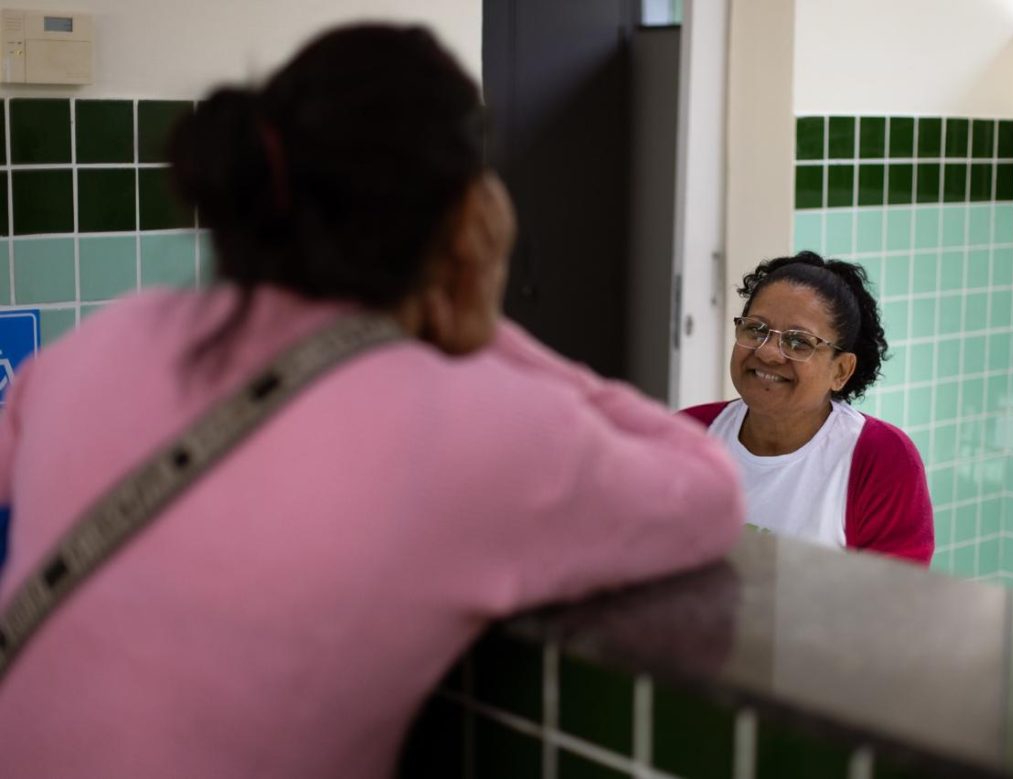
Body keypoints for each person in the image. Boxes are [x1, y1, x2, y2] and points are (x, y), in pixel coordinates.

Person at [0, 24, 744, 778]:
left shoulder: (106, 336)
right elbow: (710, 490)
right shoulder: (476, 424)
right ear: (468, 218)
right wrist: (479, 324)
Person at [682, 251, 932, 564]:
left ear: (841, 371)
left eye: (799, 342)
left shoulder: (880, 459)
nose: (769, 353)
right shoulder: (687, 434)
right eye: (756, 330)